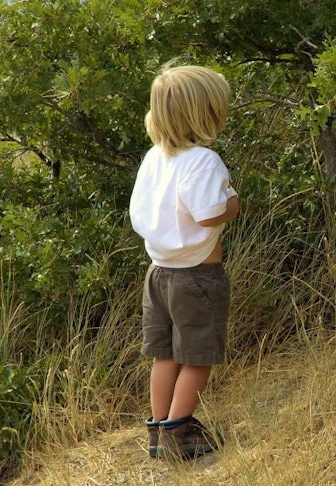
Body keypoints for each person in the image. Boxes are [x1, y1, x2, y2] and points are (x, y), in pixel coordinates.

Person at [129, 64, 239, 460]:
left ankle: (159, 430)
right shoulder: (203, 160)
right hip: (198, 277)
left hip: (158, 275)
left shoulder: (154, 158)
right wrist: (232, 205)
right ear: (206, 114)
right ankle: (180, 431)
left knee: (165, 354)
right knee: (198, 356)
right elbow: (208, 213)